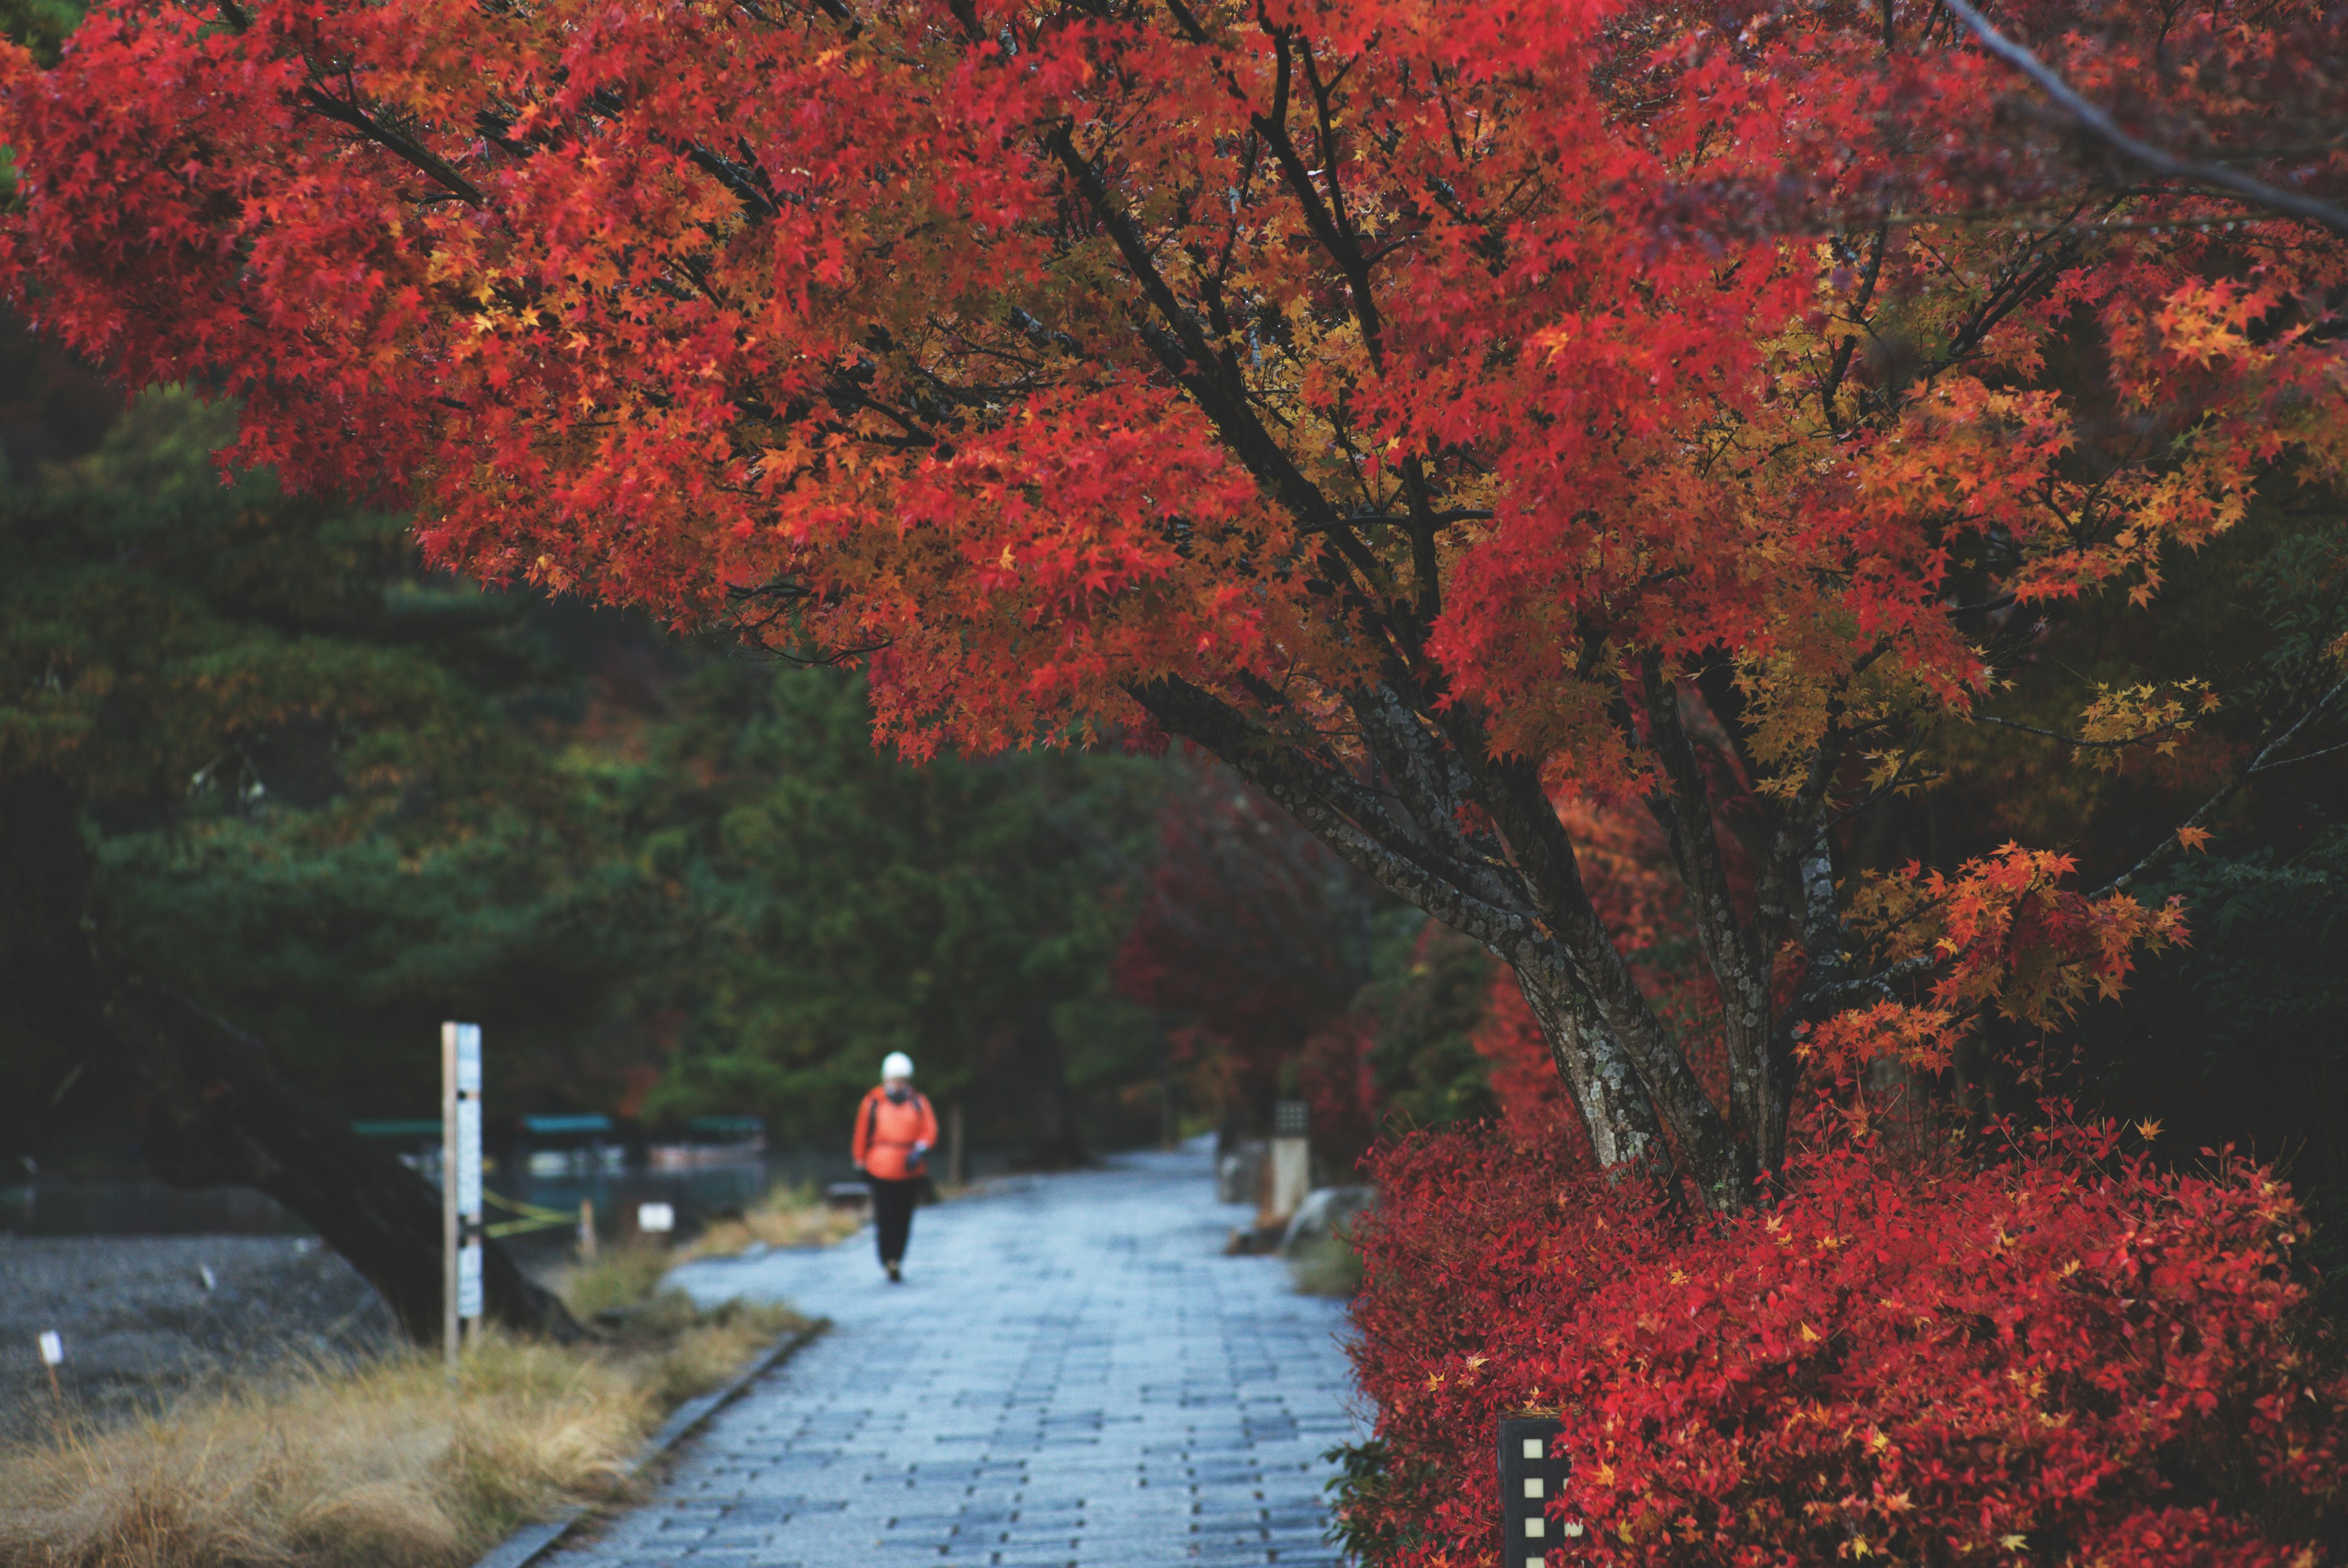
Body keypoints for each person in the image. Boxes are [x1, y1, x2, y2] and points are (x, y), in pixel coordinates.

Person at [851, 1051, 938, 1283]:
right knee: (885, 1216)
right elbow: (862, 1133)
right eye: (895, 1080)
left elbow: (930, 1130)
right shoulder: (873, 1102)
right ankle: (888, 1258)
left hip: (910, 1169)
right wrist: (860, 1161)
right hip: (881, 1168)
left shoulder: (919, 1102)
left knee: (904, 1216)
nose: (899, 1085)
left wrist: (919, 1150)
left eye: (903, 1080)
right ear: (886, 1079)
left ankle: (897, 1258)